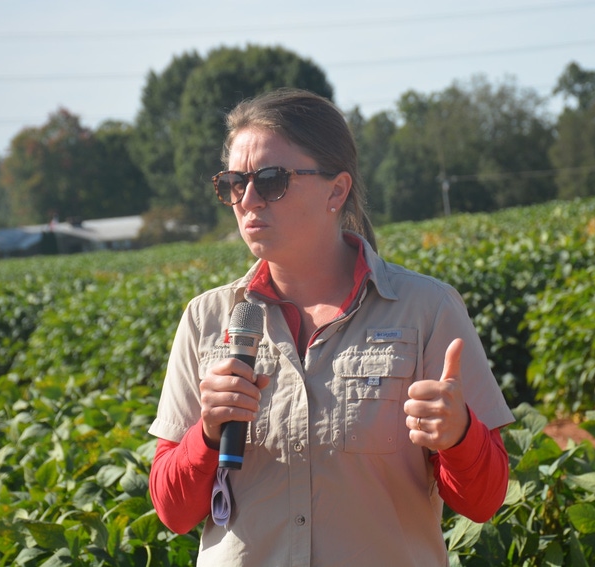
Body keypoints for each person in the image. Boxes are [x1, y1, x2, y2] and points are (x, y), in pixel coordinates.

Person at [148, 88, 514, 566]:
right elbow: (173, 512)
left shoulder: (426, 309)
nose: (248, 199)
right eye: (235, 183)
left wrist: (459, 435)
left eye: (271, 180)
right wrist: (209, 432)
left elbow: (483, 501)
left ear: (336, 191)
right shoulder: (206, 318)